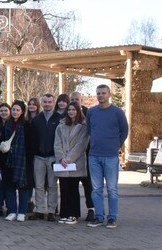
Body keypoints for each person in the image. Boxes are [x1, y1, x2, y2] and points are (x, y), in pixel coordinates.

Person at [86, 84, 129, 228]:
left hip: (110, 156)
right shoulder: (91, 112)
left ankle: (112, 217)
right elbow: (89, 130)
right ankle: (99, 216)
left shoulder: (117, 112)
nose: (101, 95)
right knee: (96, 189)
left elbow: (124, 131)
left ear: (109, 94)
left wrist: (115, 145)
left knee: (112, 188)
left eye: (103, 93)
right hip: (94, 156)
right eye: (98, 93)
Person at [28, 93, 62, 222]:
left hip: (53, 157)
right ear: (41, 103)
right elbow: (32, 139)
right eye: (45, 102)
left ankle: (52, 210)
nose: (47, 104)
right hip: (39, 157)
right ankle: (40, 210)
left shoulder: (59, 119)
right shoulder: (36, 119)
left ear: (53, 103)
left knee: (53, 185)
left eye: (49, 102)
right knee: (39, 185)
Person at [55, 103, 89, 225]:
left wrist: (69, 159)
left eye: (73, 109)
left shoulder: (83, 126)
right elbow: (57, 143)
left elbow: (81, 145)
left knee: (73, 189)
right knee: (63, 189)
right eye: (69, 109)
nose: (71, 112)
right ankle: (64, 214)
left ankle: (73, 214)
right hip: (62, 163)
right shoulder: (61, 125)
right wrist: (61, 157)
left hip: (76, 162)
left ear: (78, 111)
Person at [0, 101, 32, 222]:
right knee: (9, 187)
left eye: (18, 110)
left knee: (23, 187)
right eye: (13, 109)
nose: (15, 112)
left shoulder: (27, 125)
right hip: (8, 160)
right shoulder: (6, 124)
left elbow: (31, 145)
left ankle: (22, 211)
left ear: (22, 111)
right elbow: (1, 142)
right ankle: (12, 211)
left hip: (23, 162)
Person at [70, 91, 95, 222]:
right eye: (72, 99)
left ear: (81, 100)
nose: (75, 101)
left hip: (86, 155)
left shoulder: (89, 114)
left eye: (77, 99)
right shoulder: (68, 115)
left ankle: (91, 209)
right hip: (72, 157)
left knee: (88, 185)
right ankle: (74, 212)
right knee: (73, 186)